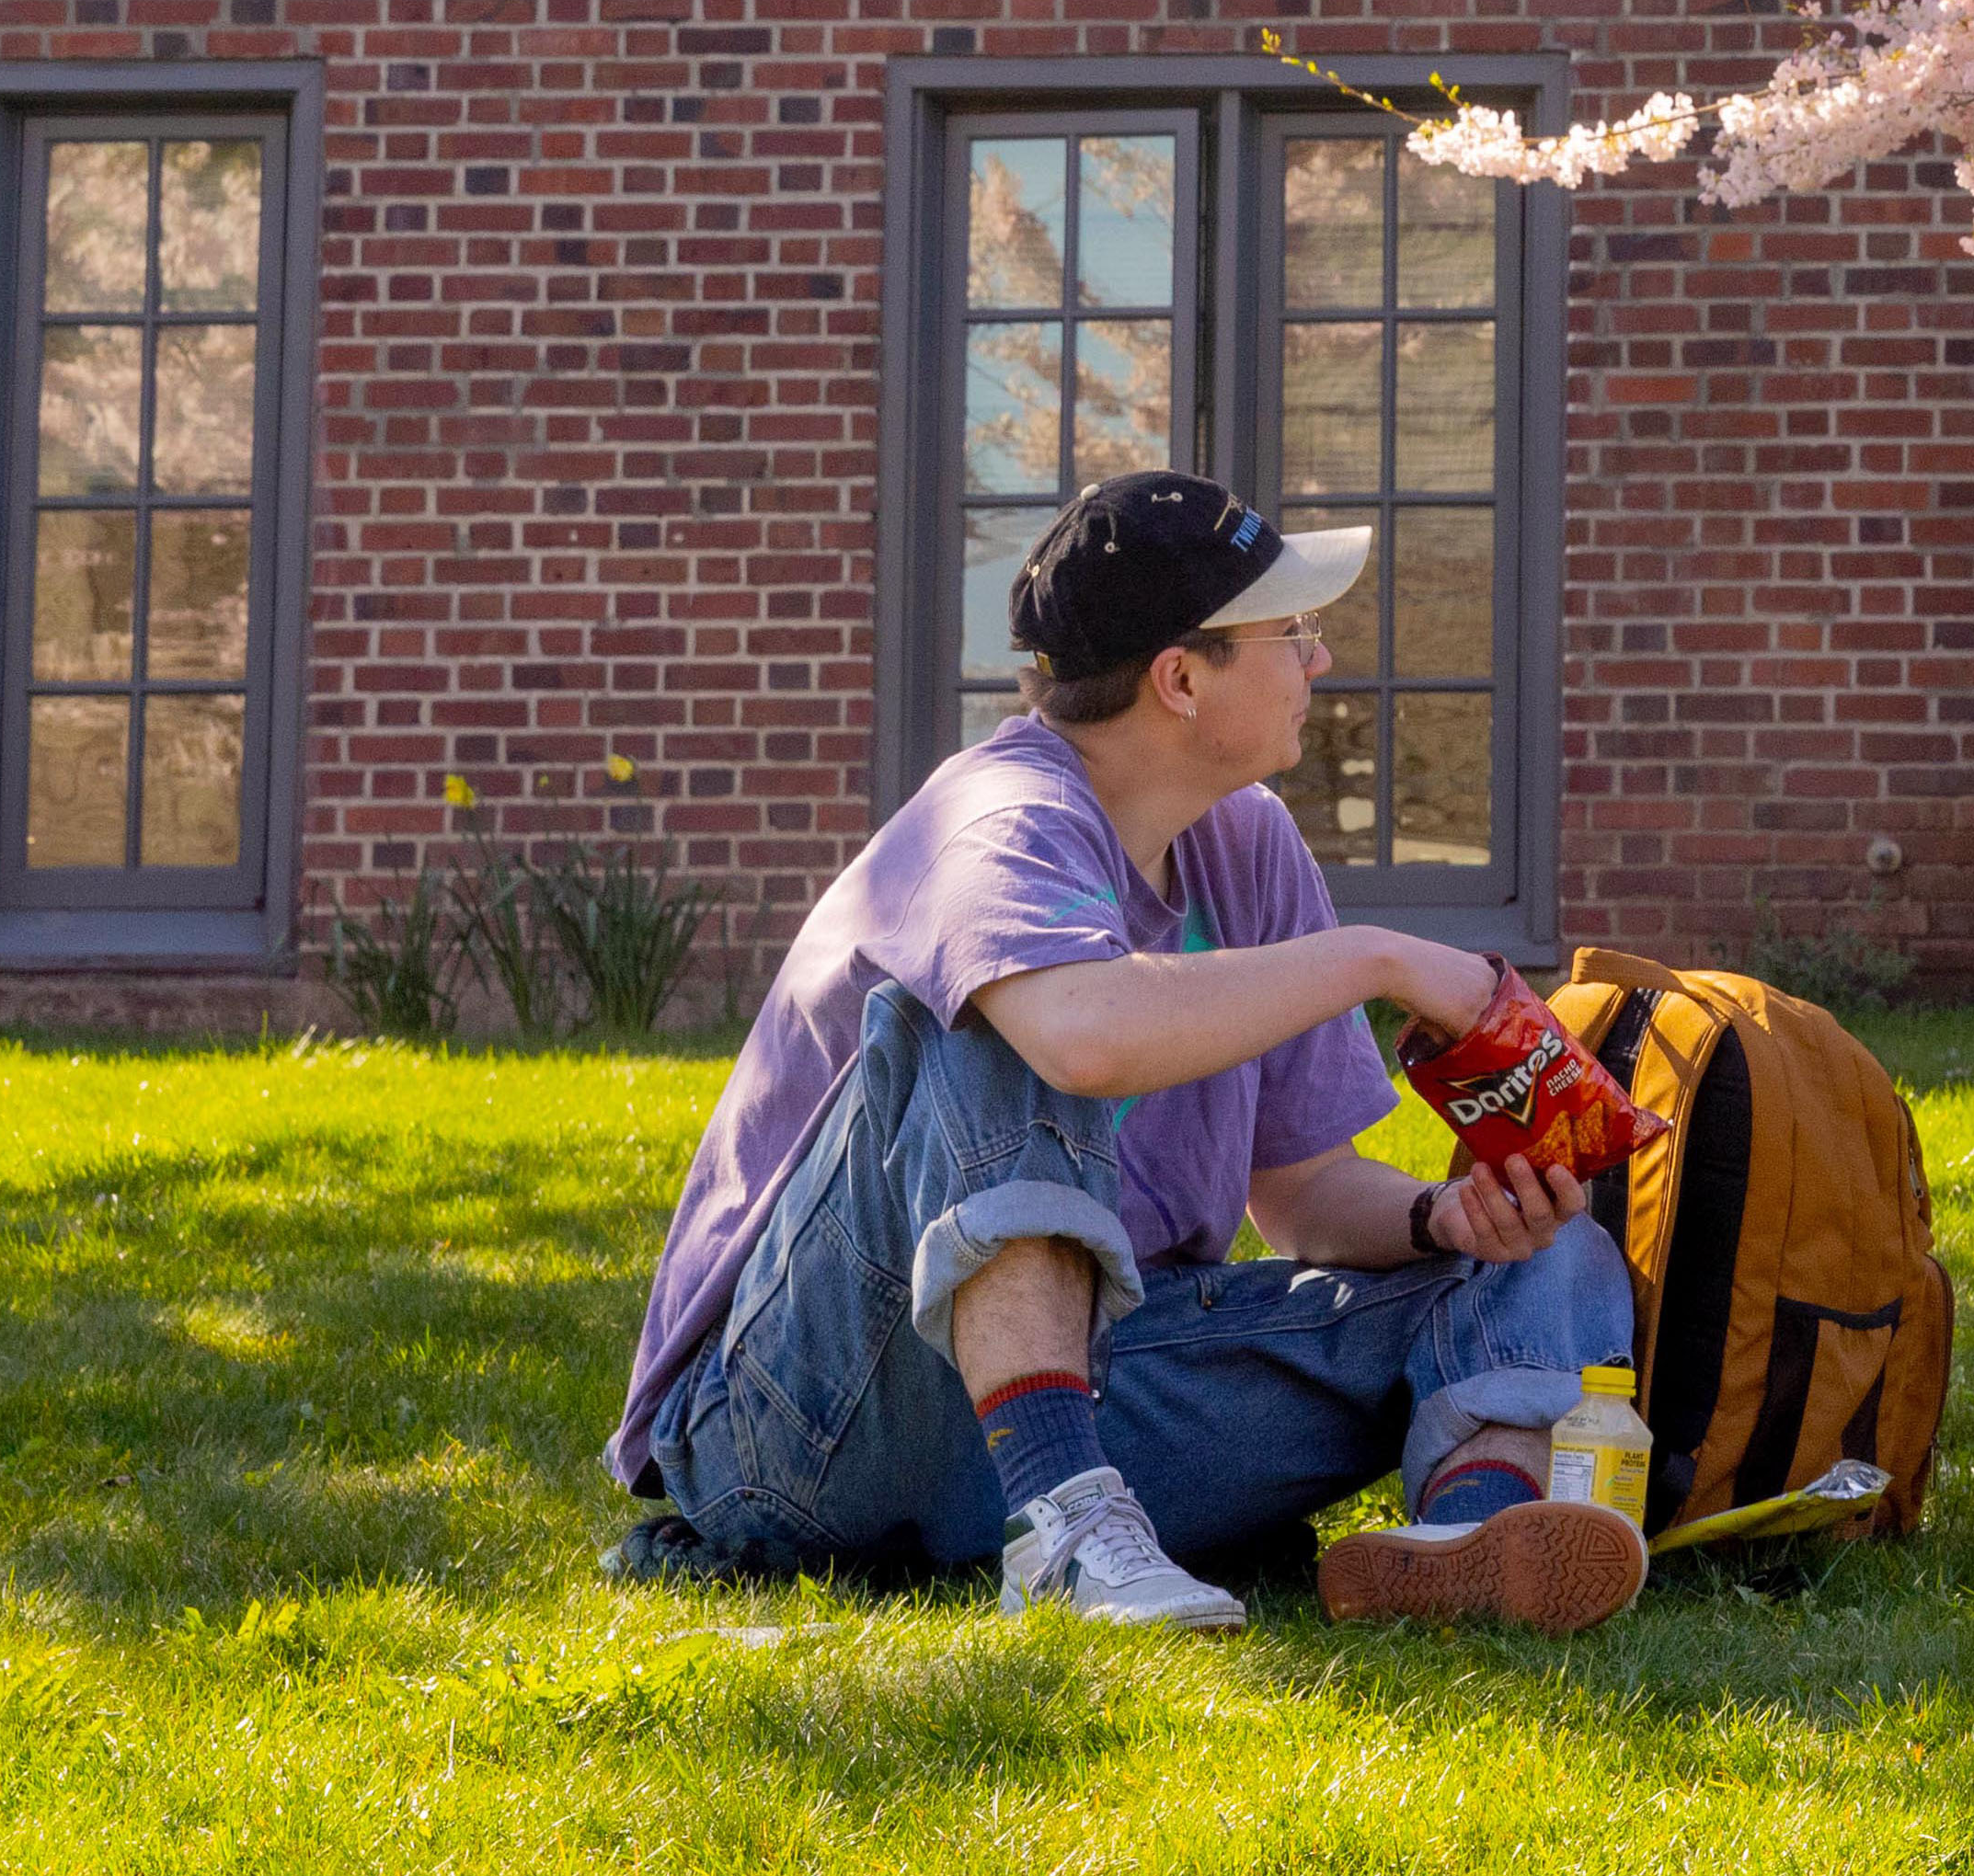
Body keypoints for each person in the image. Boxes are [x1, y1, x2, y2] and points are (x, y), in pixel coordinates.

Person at [605, 471, 1650, 1636]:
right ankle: (1066, 1525)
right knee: (989, 1014)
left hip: (1085, 1369)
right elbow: (1080, 1034)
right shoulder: (998, 820)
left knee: (1551, 1252)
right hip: (808, 1426)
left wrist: (1444, 1223)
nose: (1319, 662)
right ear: (1181, 678)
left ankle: (1469, 1535)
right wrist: (1376, 959)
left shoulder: (1246, 843)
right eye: (1289, 634)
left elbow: (1300, 1197)